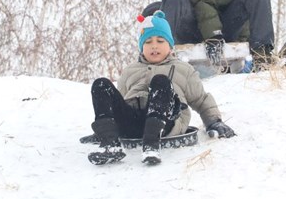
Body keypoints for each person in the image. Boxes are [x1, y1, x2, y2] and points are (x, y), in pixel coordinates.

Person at [87, 10, 235, 165]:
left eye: (160, 41)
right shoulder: (129, 71)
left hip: (167, 122)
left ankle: (151, 144)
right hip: (132, 123)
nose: (154, 46)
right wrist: (106, 128)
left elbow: (201, 99)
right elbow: (116, 104)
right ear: (141, 47)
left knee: (161, 81)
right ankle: (110, 143)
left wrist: (214, 122)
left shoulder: (183, 69)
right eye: (148, 42)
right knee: (101, 84)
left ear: (170, 45)